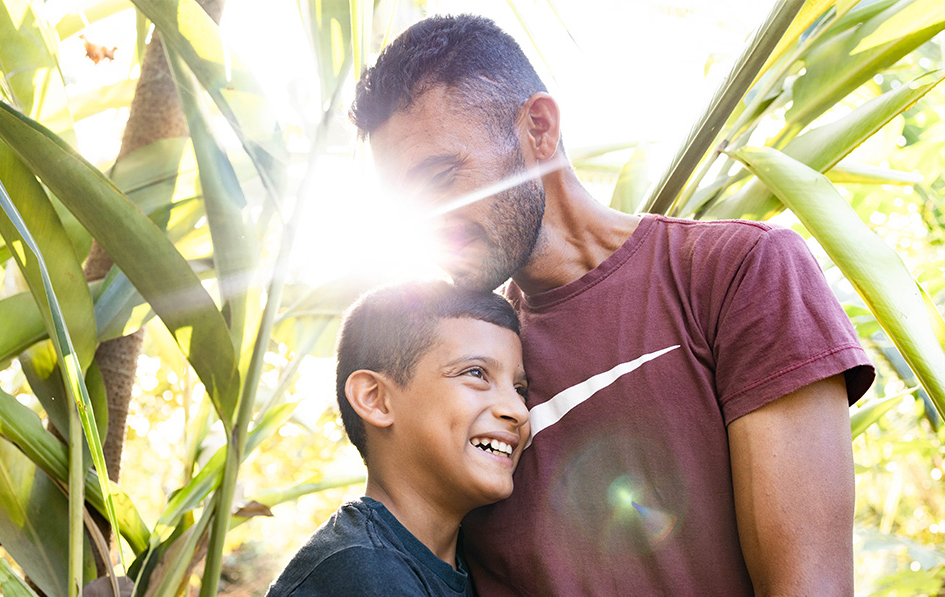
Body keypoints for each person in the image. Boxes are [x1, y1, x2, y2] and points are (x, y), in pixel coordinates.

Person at [350, 14, 877, 596]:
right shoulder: (465, 371)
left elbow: (809, 586)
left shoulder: (736, 272)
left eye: (443, 177)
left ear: (539, 129)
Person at [267, 280, 530, 596]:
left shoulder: (462, 565)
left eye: (520, 390)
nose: (518, 411)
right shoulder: (363, 572)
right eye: (475, 373)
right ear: (375, 398)